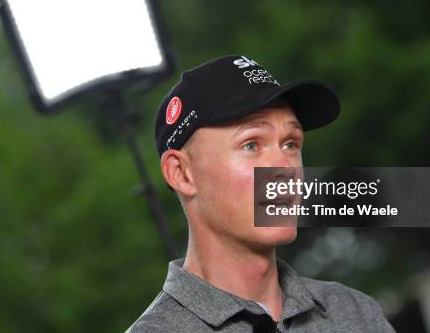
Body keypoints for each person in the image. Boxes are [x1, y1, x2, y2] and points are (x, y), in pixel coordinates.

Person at [126, 55, 396, 332]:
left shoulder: (355, 312)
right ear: (181, 173)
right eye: (251, 145)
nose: (285, 168)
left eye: (290, 144)